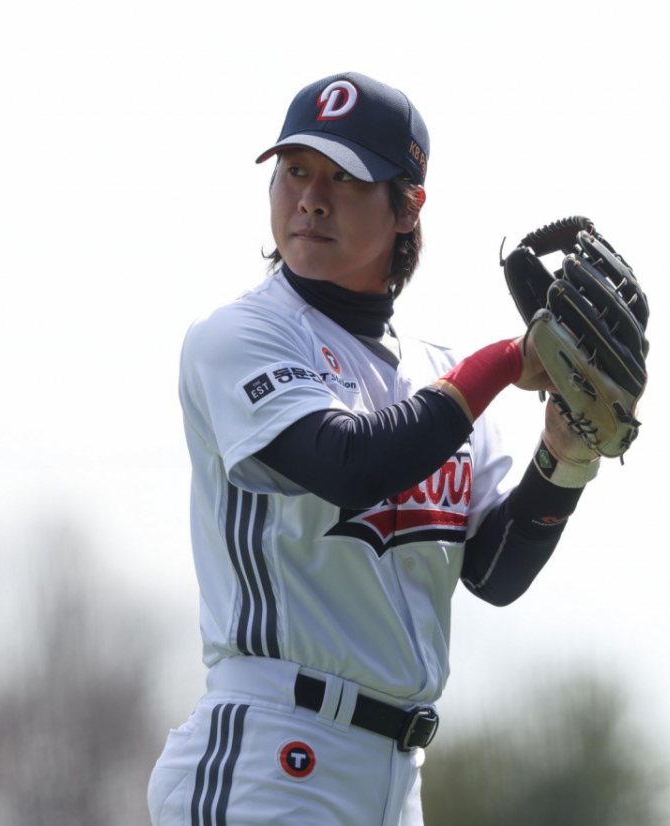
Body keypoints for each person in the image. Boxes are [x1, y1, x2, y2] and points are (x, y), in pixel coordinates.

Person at [146, 71, 602, 826]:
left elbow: (492, 572)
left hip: (394, 780)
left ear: (407, 206)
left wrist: (566, 458)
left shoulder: (437, 375)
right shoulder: (240, 335)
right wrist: (505, 363)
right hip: (271, 755)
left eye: (343, 177)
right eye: (295, 170)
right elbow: (349, 464)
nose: (310, 197)